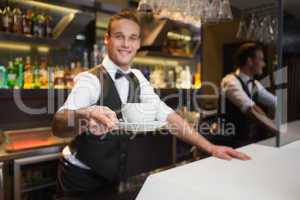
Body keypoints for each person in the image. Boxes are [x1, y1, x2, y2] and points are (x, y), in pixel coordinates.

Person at [52, 10, 250, 199]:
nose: (126, 44)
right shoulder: (90, 79)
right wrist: (85, 114)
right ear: (107, 39)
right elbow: (58, 124)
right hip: (80, 177)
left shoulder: (137, 77)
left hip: (115, 175)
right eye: (119, 36)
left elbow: (168, 116)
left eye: (132, 38)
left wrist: (211, 148)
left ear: (138, 43)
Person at [220, 43, 278, 147]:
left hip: (248, 142)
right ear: (249, 61)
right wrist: (276, 129)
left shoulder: (254, 84)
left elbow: (275, 101)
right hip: (230, 143)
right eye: (261, 59)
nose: (263, 64)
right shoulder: (230, 81)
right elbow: (251, 109)